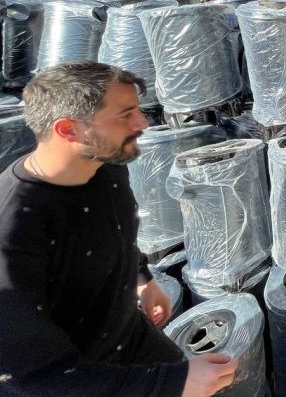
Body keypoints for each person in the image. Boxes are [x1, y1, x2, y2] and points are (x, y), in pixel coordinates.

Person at [0, 61, 237, 396]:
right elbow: (37, 379)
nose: (142, 123)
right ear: (68, 130)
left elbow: (116, 229)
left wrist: (143, 279)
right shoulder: (14, 229)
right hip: (82, 379)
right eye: (125, 114)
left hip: (130, 337)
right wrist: (172, 383)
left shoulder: (104, 166)